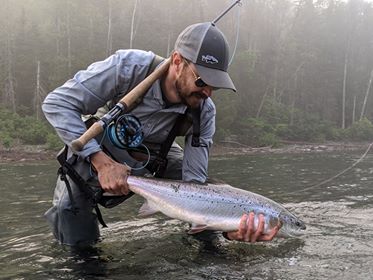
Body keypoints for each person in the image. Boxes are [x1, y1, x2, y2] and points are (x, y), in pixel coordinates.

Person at [42, 22, 281, 246]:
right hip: (100, 147)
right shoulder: (129, 68)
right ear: (177, 61)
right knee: (68, 217)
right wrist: (102, 163)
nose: (208, 92)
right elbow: (57, 103)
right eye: (202, 81)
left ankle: (209, 259)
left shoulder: (204, 112)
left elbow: (195, 185)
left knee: (210, 192)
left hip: (156, 156)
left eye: (215, 85)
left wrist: (230, 229)